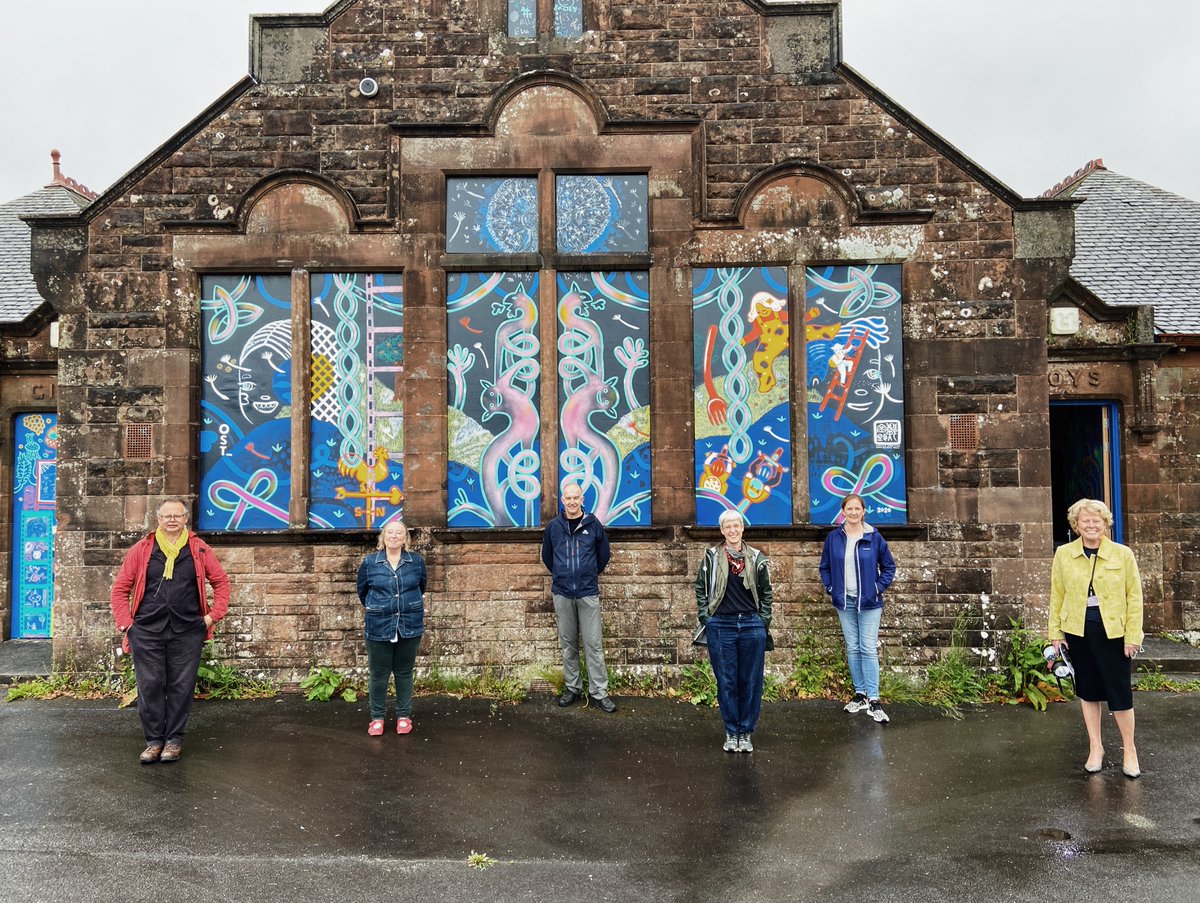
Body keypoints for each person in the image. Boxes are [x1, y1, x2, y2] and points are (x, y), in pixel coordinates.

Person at [110, 497, 230, 764]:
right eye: (167, 516)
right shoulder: (142, 550)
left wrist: (211, 618)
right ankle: (154, 742)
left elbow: (221, 583)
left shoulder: (199, 550)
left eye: (178, 515)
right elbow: (120, 589)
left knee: (181, 686)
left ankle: (173, 741)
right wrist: (127, 625)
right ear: (159, 520)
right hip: (146, 630)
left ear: (186, 519)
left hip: (188, 630)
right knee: (150, 685)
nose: (172, 520)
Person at [1048, 498, 1144, 777]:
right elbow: (1058, 594)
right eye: (1085, 521)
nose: (1091, 525)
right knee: (1088, 691)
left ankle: (1130, 751)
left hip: (1114, 633)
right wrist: (1055, 632)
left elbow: (1134, 597)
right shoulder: (1064, 554)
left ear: (1105, 524)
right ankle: (1096, 748)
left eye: (1096, 520)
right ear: (1076, 525)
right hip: (1078, 632)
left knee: (1119, 692)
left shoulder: (1122, 554)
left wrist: (1133, 636)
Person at [694, 509, 773, 752]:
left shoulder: (756, 557)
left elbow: (766, 592)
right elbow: (700, 587)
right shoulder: (711, 557)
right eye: (727, 526)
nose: (732, 530)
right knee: (727, 681)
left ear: (742, 528)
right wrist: (706, 617)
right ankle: (731, 732)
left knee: (750, 681)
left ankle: (746, 732)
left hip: (751, 624)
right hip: (721, 625)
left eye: (736, 525)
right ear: (721, 530)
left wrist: (763, 620)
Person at [820, 493, 896, 724]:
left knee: (867, 648)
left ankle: (874, 700)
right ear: (843, 512)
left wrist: (876, 588)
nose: (853, 513)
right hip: (845, 601)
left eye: (857, 509)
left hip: (869, 602)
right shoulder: (834, 538)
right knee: (853, 647)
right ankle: (860, 695)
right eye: (849, 509)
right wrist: (831, 587)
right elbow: (824, 567)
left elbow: (889, 567)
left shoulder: (874, 537)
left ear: (864, 511)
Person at [541, 481, 617, 713]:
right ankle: (573, 688)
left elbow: (603, 557)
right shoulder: (554, 527)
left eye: (576, 497)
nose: (572, 502)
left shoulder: (593, 525)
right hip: (562, 593)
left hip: (587, 592)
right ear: (562, 501)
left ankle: (599, 693)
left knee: (593, 644)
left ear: (582, 500)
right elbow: (547, 557)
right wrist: (564, 575)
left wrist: (586, 575)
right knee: (568, 644)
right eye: (568, 498)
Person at [357, 520, 428, 737]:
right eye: (390, 532)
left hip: (409, 624)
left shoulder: (416, 562)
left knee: (404, 672)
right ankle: (377, 718)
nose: (394, 536)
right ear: (383, 537)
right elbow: (363, 591)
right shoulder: (370, 563)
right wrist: (379, 608)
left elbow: (422, 585)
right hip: (379, 625)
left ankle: (403, 717)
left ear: (405, 538)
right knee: (379, 674)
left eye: (399, 533)